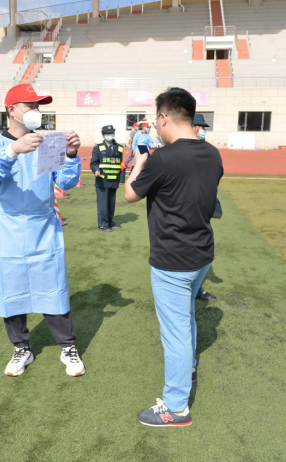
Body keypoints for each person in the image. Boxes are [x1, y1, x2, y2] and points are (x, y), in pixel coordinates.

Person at [125, 87, 222, 427]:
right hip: (201, 253)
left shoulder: (163, 158)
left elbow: (130, 194)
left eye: (156, 119)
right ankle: (189, 368)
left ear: (164, 117)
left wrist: (138, 164)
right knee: (186, 319)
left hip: (173, 259)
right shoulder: (212, 153)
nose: (156, 125)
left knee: (176, 332)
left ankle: (176, 407)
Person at [0, 83, 85, 378]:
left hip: (43, 225)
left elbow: (64, 182)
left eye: (38, 106)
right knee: (10, 288)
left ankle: (67, 346)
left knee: (53, 286)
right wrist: (13, 150)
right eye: (30, 106)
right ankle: (21, 347)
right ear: (11, 110)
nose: (36, 111)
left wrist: (71, 155)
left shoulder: (47, 142)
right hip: (8, 227)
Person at [192, 113, 221, 302]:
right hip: (184, 209)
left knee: (200, 250)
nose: (203, 131)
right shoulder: (178, 150)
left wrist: (215, 207)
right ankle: (191, 290)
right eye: (200, 127)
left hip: (201, 209)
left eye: (204, 128)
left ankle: (196, 289)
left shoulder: (208, 151)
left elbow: (211, 183)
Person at [90, 125, 124, 231]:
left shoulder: (119, 148)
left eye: (112, 133)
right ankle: (103, 224)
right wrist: (96, 170)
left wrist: (121, 179)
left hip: (114, 180)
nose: (110, 135)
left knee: (111, 204)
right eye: (108, 133)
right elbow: (94, 162)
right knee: (103, 204)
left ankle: (110, 221)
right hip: (102, 181)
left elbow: (121, 164)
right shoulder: (98, 147)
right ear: (103, 135)